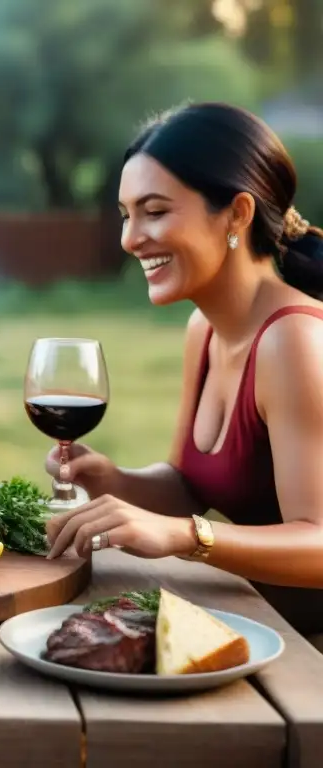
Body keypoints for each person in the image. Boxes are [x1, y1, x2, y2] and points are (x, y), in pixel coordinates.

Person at [44, 102, 323, 634]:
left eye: (154, 211)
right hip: (258, 627)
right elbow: (190, 487)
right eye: (126, 215)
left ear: (237, 213)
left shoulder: (295, 341)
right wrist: (113, 480)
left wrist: (187, 536)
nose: (129, 238)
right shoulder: (205, 327)